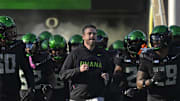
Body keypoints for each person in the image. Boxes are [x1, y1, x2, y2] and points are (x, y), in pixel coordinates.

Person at [59, 24, 113, 101]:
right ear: (83, 37)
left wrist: (107, 75)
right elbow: (62, 74)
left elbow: (110, 71)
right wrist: (78, 70)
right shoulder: (75, 53)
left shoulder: (103, 54)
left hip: (97, 97)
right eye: (89, 33)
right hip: (78, 97)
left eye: (94, 34)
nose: (92, 36)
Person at [136, 25, 178, 101]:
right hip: (155, 98)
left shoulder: (177, 54)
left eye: (158, 38)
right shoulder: (147, 57)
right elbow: (139, 83)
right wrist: (152, 80)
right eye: (153, 38)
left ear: (167, 38)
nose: (155, 41)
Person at [0, 16, 35, 101]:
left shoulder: (18, 47)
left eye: (12, 30)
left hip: (13, 91)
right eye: (9, 31)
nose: (12, 34)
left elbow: (27, 69)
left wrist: (31, 87)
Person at [113, 30, 147, 101]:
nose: (135, 45)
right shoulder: (122, 57)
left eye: (137, 43)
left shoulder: (147, 57)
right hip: (128, 93)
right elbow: (117, 75)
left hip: (144, 92)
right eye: (134, 43)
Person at [22, 32, 55, 101]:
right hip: (21, 93)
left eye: (31, 44)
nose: (28, 47)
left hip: (38, 94)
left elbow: (51, 80)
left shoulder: (44, 59)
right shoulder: (18, 58)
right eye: (26, 45)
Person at [44, 34, 69, 101]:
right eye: (55, 50)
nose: (57, 52)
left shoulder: (70, 62)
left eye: (59, 50)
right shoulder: (45, 65)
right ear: (50, 50)